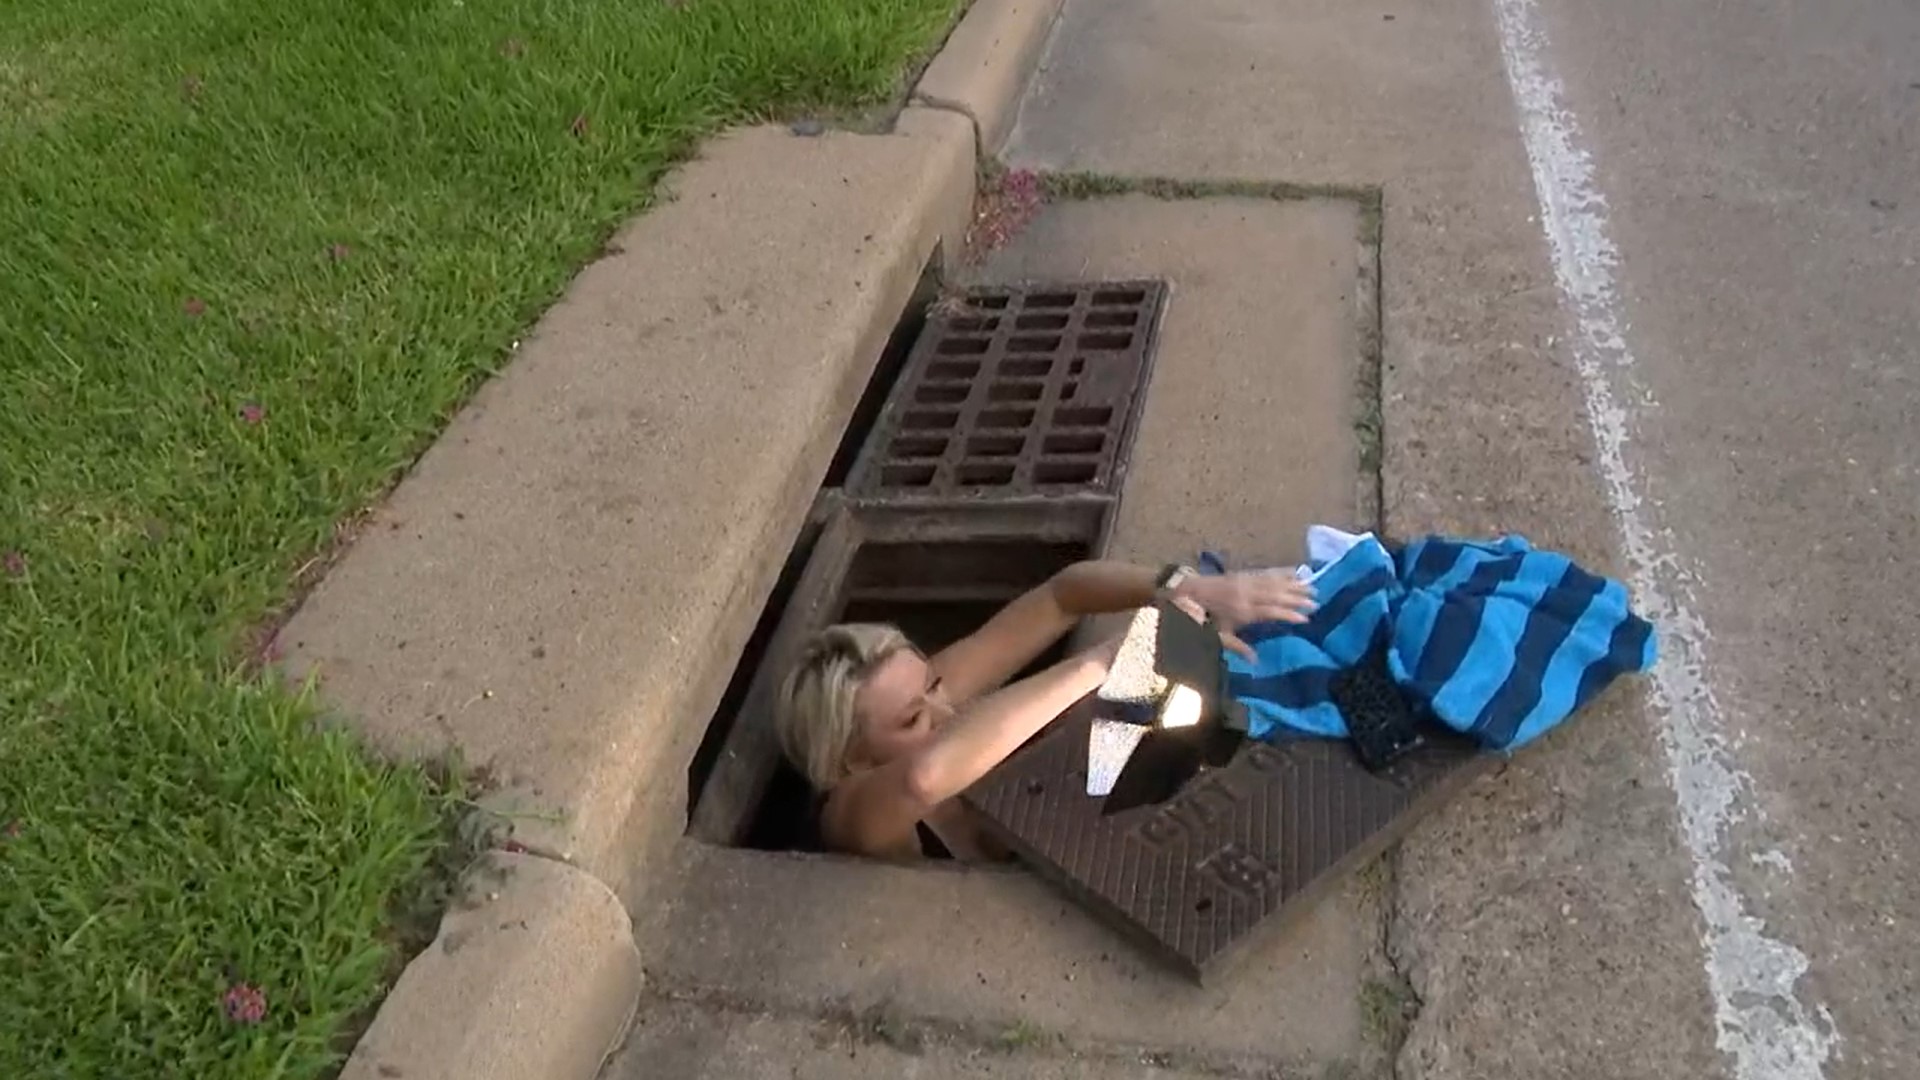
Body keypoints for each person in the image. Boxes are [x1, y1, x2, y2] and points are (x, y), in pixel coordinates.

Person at [773, 559, 1318, 861]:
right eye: (913, 719)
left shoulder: (926, 697)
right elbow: (924, 778)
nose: (945, 710)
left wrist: (1188, 587)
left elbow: (1061, 595)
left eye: (934, 685)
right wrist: (1107, 659)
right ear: (853, 762)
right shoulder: (849, 812)